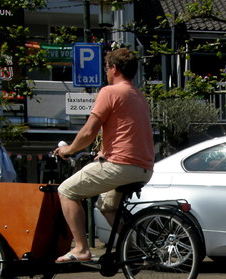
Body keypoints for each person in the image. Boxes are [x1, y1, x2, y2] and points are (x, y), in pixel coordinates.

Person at [52, 48, 155, 263]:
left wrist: (68, 150)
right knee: (108, 206)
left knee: (66, 191)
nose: (106, 72)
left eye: (107, 68)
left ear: (114, 69)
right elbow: (127, 133)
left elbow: (89, 132)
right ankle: (136, 248)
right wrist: (102, 153)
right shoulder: (138, 96)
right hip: (143, 167)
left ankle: (81, 248)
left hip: (120, 165)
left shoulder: (110, 91)